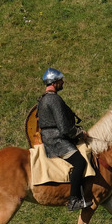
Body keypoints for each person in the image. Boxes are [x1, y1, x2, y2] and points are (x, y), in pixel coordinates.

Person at [36, 67, 90, 210]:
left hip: (50, 137)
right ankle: (74, 199)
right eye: (60, 80)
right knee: (80, 162)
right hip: (57, 141)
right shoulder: (54, 99)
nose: (62, 82)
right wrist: (79, 133)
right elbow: (64, 128)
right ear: (54, 82)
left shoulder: (43, 99)